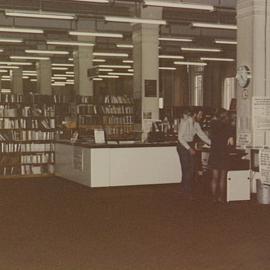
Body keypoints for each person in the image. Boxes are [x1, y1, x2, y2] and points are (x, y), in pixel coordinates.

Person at [177, 107, 211, 198]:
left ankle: (184, 190)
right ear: (195, 114)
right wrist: (189, 149)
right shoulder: (185, 122)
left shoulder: (196, 124)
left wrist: (211, 143)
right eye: (200, 115)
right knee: (186, 169)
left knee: (191, 169)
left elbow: (201, 134)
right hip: (183, 145)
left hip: (190, 144)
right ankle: (186, 192)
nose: (201, 117)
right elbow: (180, 138)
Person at [208, 109, 234, 203]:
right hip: (224, 154)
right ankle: (221, 198)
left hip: (214, 153)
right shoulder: (229, 127)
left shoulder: (213, 125)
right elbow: (231, 143)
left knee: (214, 177)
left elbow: (210, 137)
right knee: (223, 178)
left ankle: (213, 198)